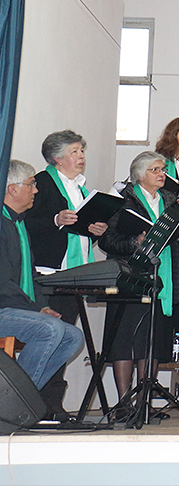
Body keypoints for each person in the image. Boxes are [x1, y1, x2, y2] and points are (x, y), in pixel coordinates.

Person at [25, 130, 108, 419]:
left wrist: (95, 231)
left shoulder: (81, 188)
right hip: (48, 273)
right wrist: (55, 219)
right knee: (50, 337)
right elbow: (23, 223)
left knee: (64, 339)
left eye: (82, 150)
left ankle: (52, 405)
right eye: (75, 151)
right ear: (57, 158)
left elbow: (78, 231)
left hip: (75, 274)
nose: (82, 156)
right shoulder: (42, 183)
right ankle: (39, 405)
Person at [99, 152, 178, 417]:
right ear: (139, 174)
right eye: (155, 169)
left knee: (151, 339)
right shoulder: (123, 200)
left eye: (163, 169)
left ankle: (145, 403)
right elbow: (107, 240)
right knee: (124, 338)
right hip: (129, 276)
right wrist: (135, 242)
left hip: (160, 274)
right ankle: (124, 403)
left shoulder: (170, 200)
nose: (161, 174)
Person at [0, 160, 83, 392]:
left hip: (13, 308)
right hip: (3, 308)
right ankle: (13, 399)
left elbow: (30, 273)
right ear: (13, 189)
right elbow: (3, 284)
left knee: (72, 336)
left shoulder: (18, 223)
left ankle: (17, 398)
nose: (35, 190)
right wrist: (35, 310)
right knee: (50, 329)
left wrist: (42, 306)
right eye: (31, 184)